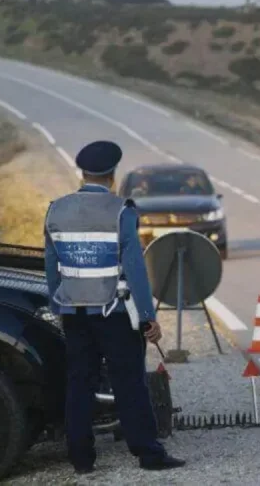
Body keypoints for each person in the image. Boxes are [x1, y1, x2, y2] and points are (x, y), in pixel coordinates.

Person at [43, 140, 186, 474]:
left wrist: (57, 306)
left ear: (83, 172)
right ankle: (148, 453)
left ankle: (80, 459)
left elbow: (51, 266)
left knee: (79, 384)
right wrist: (148, 317)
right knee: (129, 383)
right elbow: (135, 268)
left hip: (74, 313)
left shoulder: (55, 209)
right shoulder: (122, 210)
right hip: (115, 314)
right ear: (112, 174)